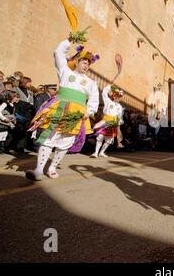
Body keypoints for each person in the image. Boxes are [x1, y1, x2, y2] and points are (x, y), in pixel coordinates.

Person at [25, 39, 99, 181]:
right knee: (48, 138)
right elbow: (58, 52)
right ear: (76, 62)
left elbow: (94, 100)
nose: (87, 65)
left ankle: (52, 168)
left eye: (89, 63)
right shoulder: (65, 71)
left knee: (65, 142)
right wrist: (69, 41)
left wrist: (88, 112)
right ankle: (38, 170)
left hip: (77, 114)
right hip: (59, 108)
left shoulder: (91, 83)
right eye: (84, 62)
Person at [91, 84, 124, 158]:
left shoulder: (120, 107)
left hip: (113, 124)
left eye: (119, 97)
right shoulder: (108, 101)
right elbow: (104, 93)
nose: (118, 98)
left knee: (109, 140)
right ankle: (95, 152)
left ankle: (101, 152)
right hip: (105, 122)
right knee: (100, 137)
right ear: (114, 96)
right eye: (117, 96)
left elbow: (120, 117)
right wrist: (109, 86)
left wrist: (119, 123)